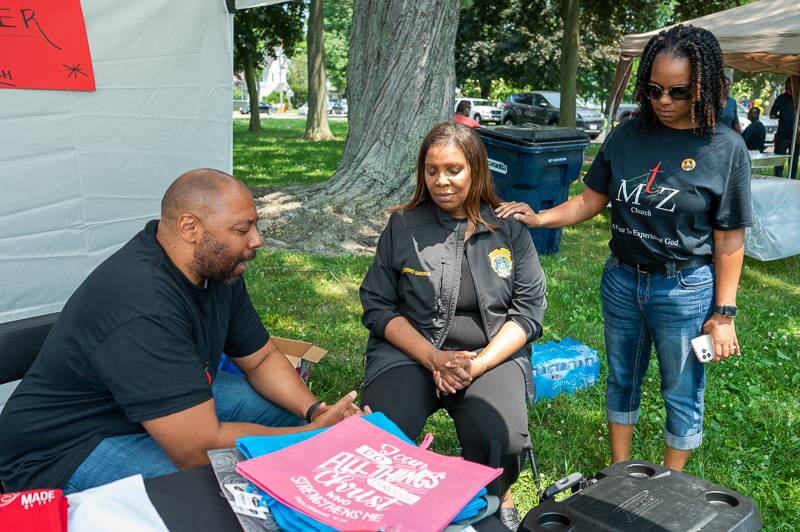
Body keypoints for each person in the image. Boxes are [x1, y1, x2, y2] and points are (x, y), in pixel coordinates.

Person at [0, 169, 363, 494]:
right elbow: (197, 451)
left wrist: (315, 412)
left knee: (294, 418)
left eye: (254, 226)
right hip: (68, 445)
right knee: (226, 492)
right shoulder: (143, 302)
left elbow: (262, 357)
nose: (257, 240)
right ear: (190, 228)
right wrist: (309, 437)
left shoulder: (219, 268)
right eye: (242, 229)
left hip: (158, 407)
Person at [496, 25, 751, 472]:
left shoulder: (725, 149)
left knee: (682, 388)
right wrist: (539, 217)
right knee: (622, 380)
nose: (664, 101)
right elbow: (591, 199)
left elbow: (729, 237)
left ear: (705, 86)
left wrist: (723, 314)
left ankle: (672, 484)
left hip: (684, 289)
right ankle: (620, 472)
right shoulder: (628, 135)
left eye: (678, 91)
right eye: (654, 89)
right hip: (621, 280)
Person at [359, 122, 547, 530]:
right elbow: (377, 305)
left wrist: (474, 367)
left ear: (476, 170)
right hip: (412, 351)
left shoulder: (508, 226)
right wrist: (434, 359)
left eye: (453, 170)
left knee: (503, 439)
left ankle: (494, 497)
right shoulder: (403, 226)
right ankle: (395, 512)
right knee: (380, 434)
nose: (441, 181)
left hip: (490, 355)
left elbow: (529, 312)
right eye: (431, 170)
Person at [770, 78, 798, 179]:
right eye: (788, 84)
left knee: (794, 162)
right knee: (779, 161)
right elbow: (772, 114)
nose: (790, 86)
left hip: (795, 137)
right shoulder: (781, 98)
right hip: (782, 135)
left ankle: (792, 181)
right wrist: (781, 116)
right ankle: (776, 181)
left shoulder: (798, 98)